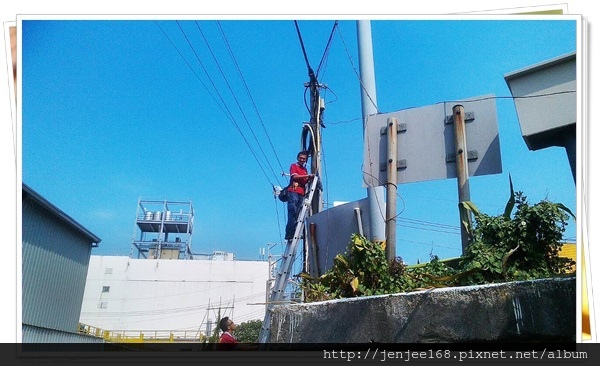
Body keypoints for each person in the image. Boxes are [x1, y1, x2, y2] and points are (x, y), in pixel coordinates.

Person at [285, 151, 315, 241]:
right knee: (292, 211)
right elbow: (294, 177)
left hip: (301, 193)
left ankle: (295, 232)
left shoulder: (304, 169)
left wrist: (310, 178)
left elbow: (304, 180)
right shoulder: (294, 166)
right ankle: (290, 233)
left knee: (298, 214)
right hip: (293, 191)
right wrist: (307, 176)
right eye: (301, 158)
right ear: (298, 158)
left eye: (304, 159)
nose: (302, 160)